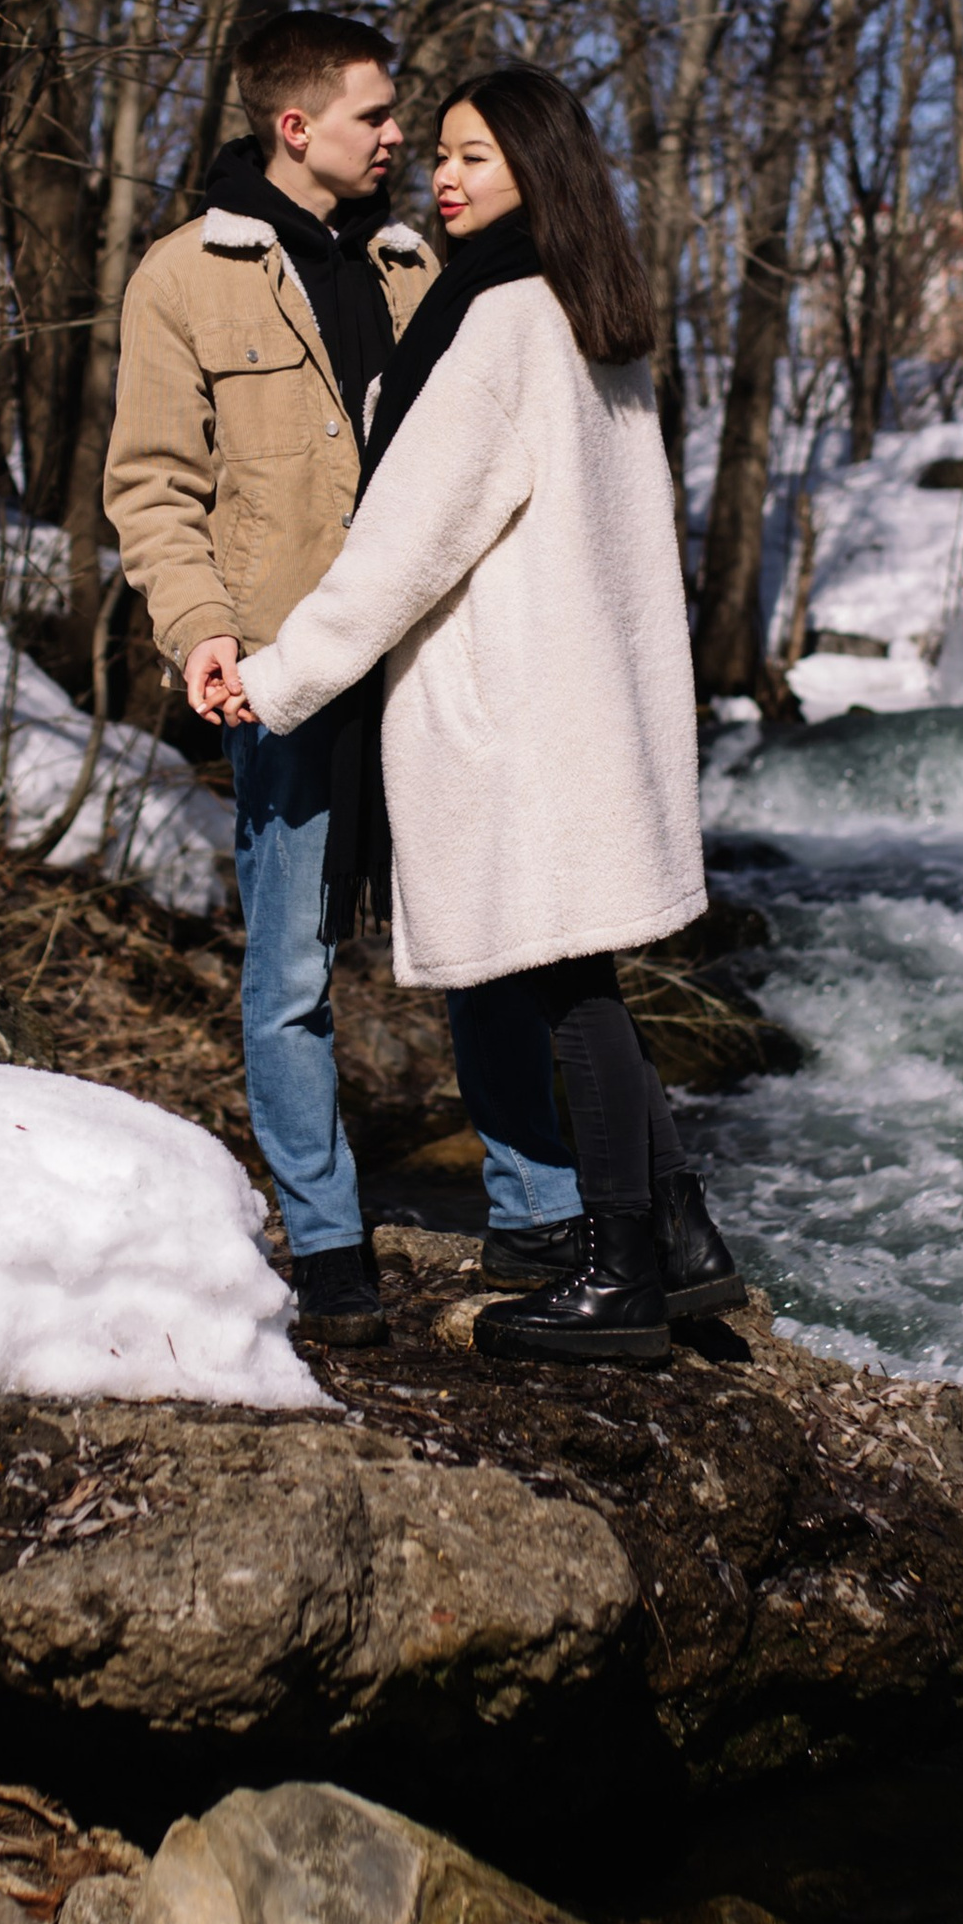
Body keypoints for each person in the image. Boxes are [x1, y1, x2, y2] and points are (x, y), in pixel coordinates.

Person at [226, 66, 744, 1368]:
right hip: (589, 697)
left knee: (566, 983)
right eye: (442, 156)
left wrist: (284, 679)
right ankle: (678, 1243)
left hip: (517, 705)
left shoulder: (502, 319)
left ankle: (621, 1270)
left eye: (475, 158)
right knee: (588, 974)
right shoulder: (591, 314)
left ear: (538, 171)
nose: (445, 179)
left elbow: (409, 541)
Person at [103, 12, 589, 1347]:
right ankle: (327, 1249)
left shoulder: (420, 268)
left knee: (485, 933)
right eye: (379, 117)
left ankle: (538, 1210)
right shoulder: (182, 279)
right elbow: (154, 485)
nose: (402, 139)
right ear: (296, 126)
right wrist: (199, 628)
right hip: (285, 666)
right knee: (294, 967)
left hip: (435, 660)